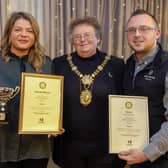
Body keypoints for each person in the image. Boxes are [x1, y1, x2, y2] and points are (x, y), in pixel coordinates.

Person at [51, 16, 125, 168]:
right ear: (72, 41)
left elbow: (123, 103)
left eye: (87, 35)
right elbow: (51, 100)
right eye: (77, 36)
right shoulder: (59, 64)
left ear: (98, 38)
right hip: (69, 147)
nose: (82, 40)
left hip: (105, 148)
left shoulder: (116, 65)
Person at [0, 11, 52, 168]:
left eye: (29, 31)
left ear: (35, 36)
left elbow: (54, 99)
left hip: (36, 149)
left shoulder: (47, 64)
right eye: (17, 30)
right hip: (3, 147)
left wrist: (55, 122)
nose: (24, 35)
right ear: (9, 33)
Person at [118, 9, 168, 168]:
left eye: (144, 29)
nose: (137, 34)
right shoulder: (127, 65)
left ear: (157, 33)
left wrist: (148, 152)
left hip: (159, 159)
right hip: (132, 156)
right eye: (132, 30)